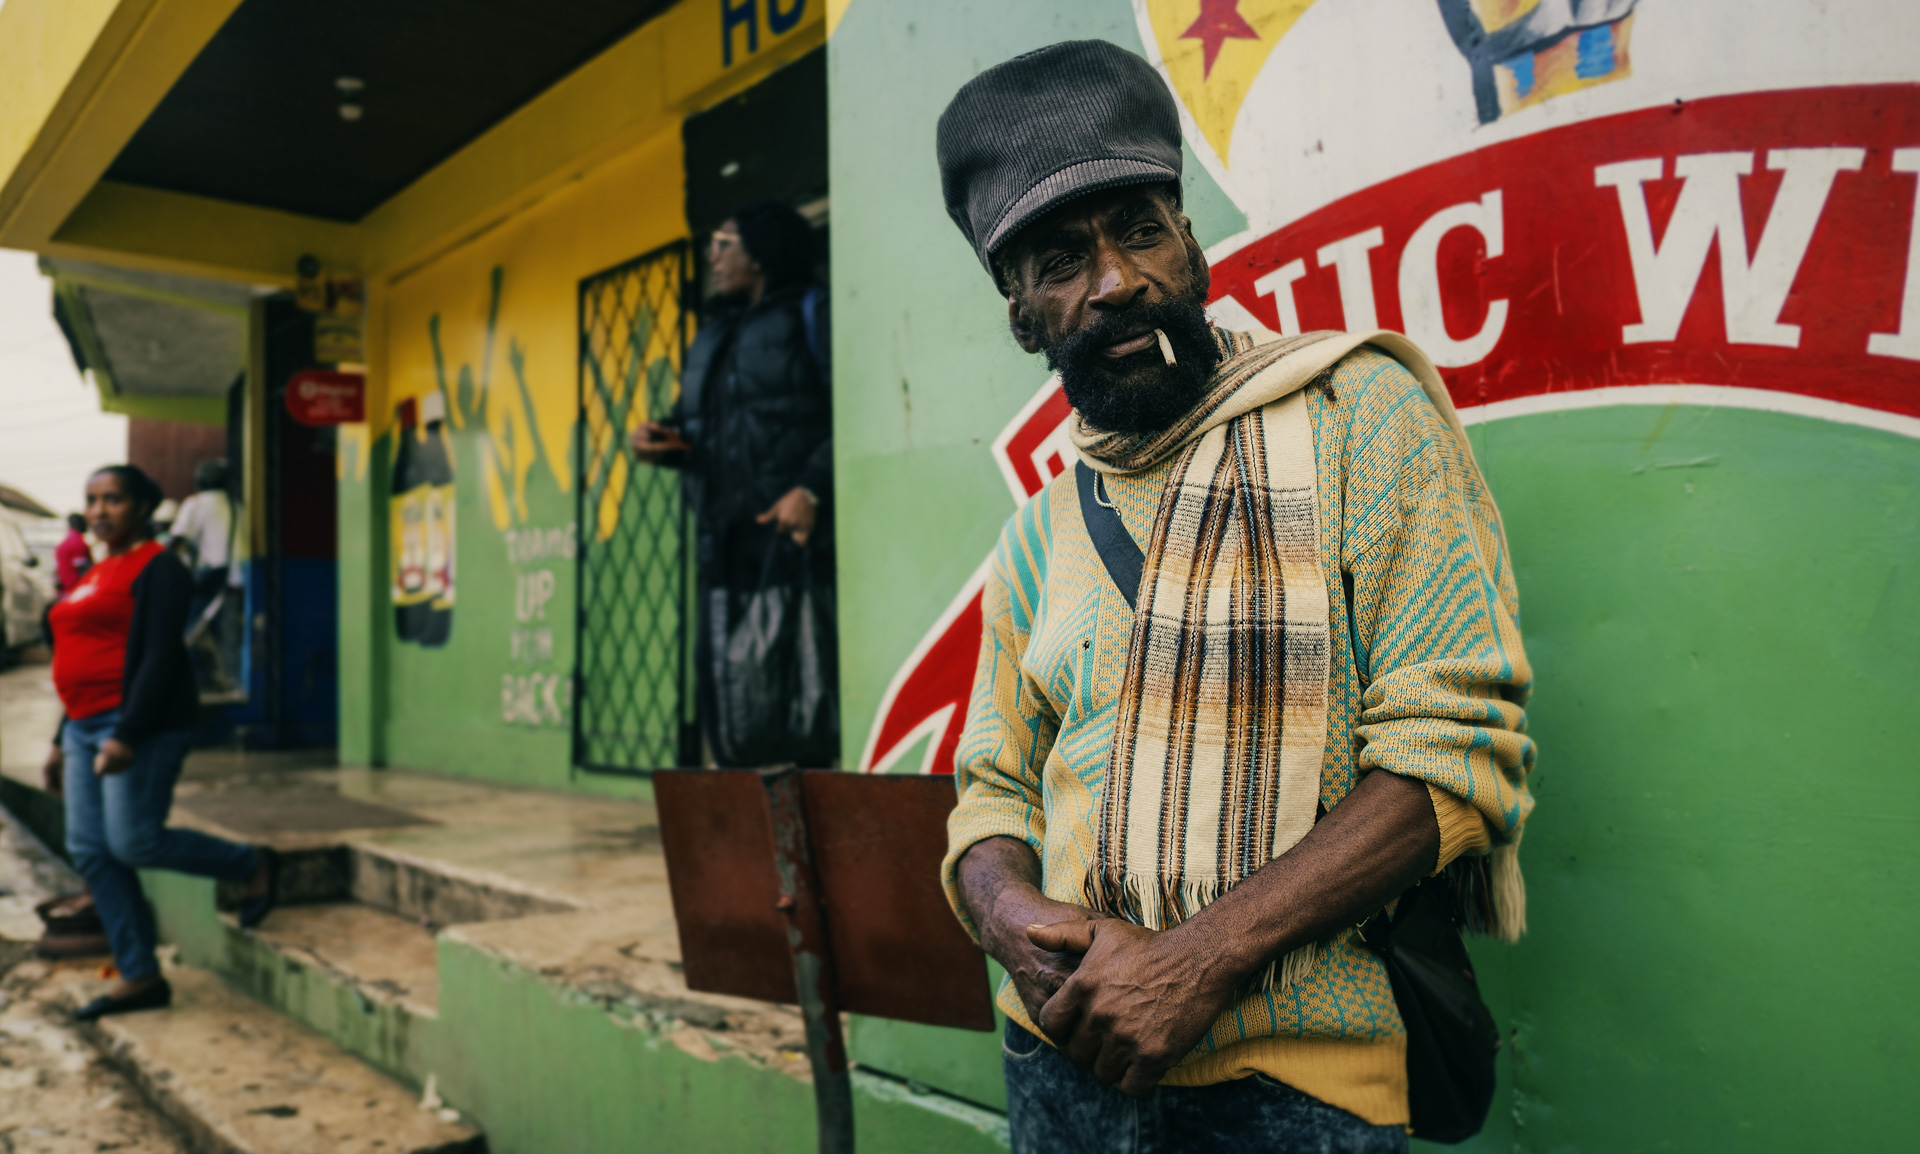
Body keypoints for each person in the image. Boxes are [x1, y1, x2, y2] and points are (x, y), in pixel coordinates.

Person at [935, 42, 1535, 1152]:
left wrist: (1192, 961)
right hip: (1058, 1065)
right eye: (1062, 257)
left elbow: (1455, 752)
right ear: (1022, 312)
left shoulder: (1360, 417)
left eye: (1142, 229)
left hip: (1297, 1088)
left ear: (1190, 239)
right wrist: (1014, 922)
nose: (1117, 280)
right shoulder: (1041, 532)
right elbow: (991, 792)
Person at [39, 465, 273, 1021]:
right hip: (80, 725)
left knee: (134, 842)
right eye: (92, 499)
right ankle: (139, 974)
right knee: (92, 851)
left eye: (113, 499)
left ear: (143, 505)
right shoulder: (94, 572)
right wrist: (58, 739)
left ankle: (250, 864)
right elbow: (75, 659)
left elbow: (162, 655)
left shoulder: (158, 566)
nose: (100, 511)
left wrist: (127, 733)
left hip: (137, 723)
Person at [630, 202, 838, 766]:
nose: (712, 258)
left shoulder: (811, 313)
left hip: (796, 549)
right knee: (730, 704)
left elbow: (851, 414)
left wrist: (811, 489)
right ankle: (752, 833)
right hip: (724, 551)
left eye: (724, 244)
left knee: (803, 707)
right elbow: (701, 429)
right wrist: (663, 438)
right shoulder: (710, 335)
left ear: (761, 253)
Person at [53, 512, 91, 596]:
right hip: (77, 593)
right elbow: (83, 570)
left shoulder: (61, 545)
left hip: (63, 593)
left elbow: (56, 572)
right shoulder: (78, 543)